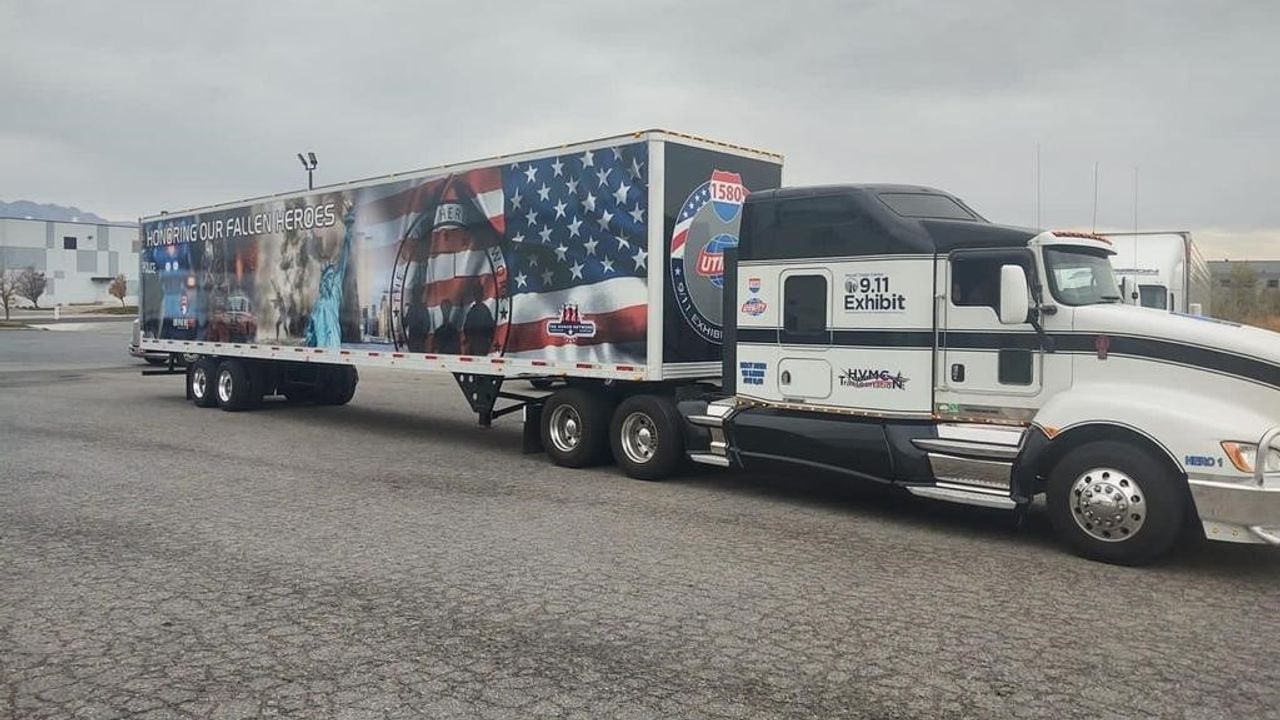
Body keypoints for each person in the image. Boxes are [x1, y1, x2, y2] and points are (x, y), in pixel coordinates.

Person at [304, 203, 355, 349]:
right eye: (325, 277)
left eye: (330, 277)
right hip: (320, 354)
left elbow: (345, 253)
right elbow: (310, 332)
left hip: (333, 350)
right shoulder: (318, 305)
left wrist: (349, 226)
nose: (327, 280)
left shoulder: (335, 292)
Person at [462, 278, 495, 356]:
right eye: (475, 293)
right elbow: (466, 328)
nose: (477, 295)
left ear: (482, 294)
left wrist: (486, 340)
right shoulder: (472, 311)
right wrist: (469, 339)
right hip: (473, 344)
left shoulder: (485, 310)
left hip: (482, 343)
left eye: (479, 293)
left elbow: (490, 328)